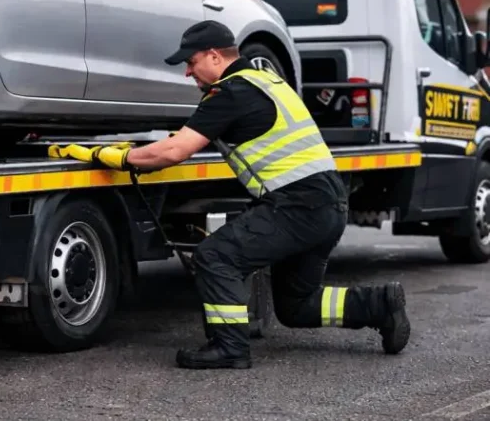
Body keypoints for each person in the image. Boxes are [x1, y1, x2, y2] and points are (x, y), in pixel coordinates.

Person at [49, 20, 410, 369]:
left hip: (298, 205)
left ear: (214, 57)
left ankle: (229, 347)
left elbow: (172, 153)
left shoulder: (230, 92)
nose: (188, 73)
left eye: (191, 63)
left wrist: (111, 156)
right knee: (297, 305)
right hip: (327, 201)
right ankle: (380, 304)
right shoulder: (265, 79)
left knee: (215, 256)